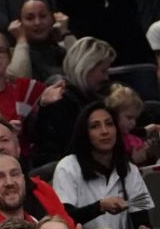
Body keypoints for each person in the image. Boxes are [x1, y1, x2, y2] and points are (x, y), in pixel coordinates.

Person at [52, 104, 154, 229]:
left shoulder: (129, 169)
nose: (105, 131)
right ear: (84, 133)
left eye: (109, 124)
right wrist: (100, 207)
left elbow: (140, 216)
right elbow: (64, 218)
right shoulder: (67, 167)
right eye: (95, 126)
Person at [29, 37, 116, 168]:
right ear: (86, 68)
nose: (106, 77)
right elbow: (73, 149)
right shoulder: (61, 100)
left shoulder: (91, 99)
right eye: (103, 71)